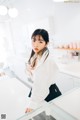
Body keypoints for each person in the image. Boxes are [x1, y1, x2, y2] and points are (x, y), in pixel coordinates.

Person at [25, 29, 62, 113]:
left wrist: (32, 105)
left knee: (52, 115)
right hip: (39, 91)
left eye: (40, 42)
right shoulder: (36, 56)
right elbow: (34, 77)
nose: (36, 44)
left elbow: (41, 84)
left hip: (48, 92)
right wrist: (29, 70)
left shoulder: (47, 60)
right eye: (34, 40)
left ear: (46, 43)